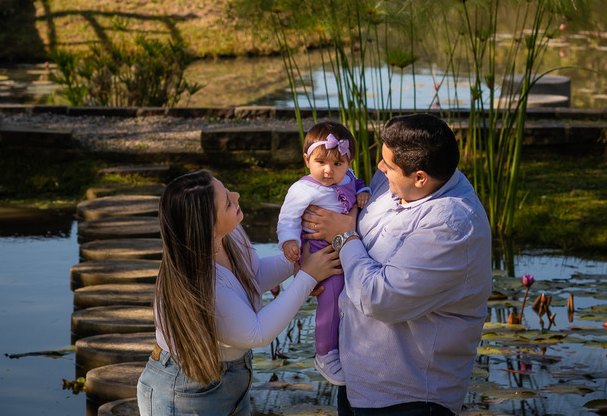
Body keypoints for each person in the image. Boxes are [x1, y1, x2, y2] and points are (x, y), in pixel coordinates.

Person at [302, 113, 493, 416]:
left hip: (409, 398)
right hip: (358, 381)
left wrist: (343, 236)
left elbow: (380, 298)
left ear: (420, 177)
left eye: (388, 165)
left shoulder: (451, 225)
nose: (379, 169)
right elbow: (357, 236)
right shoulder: (397, 182)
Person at [138, 169, 342, 416]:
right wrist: (308, 277)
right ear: (209, 228)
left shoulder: (229, 236)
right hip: (185, 390)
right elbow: (257, 334)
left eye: (228, 190)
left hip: (232, 378)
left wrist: (297, 262)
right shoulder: (203, 282)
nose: (237, 195)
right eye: (227, 202)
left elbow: (251, 278)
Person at [276, 120, 372, 386]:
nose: (329, 171)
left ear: (349, 163)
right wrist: (289, 243)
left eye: (338, 164)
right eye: (321, 163)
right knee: (330, 301)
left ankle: (344, 346)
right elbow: (288, 219)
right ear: (307, 160)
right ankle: (325, 353)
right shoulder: (303, 189)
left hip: (347, 251)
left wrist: (364, 192)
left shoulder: (349, 178)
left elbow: (357, 183)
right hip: (323, 256)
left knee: (349, 301)